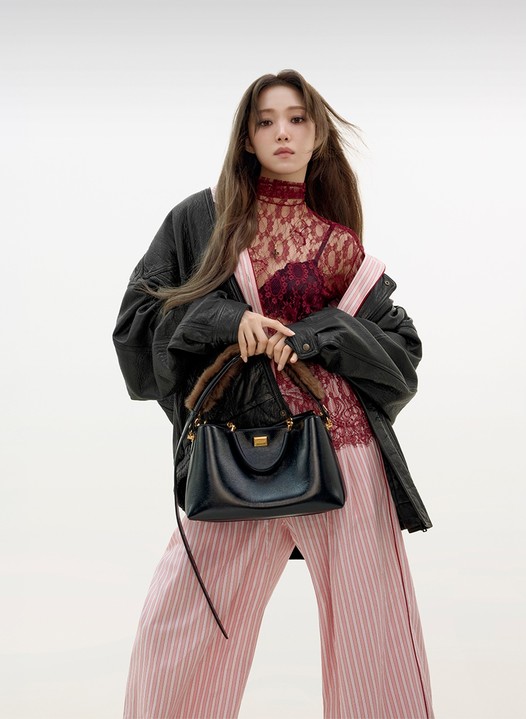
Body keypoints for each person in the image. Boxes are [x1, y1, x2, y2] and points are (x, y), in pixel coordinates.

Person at [113, 68, 435, 719]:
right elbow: (136, 325)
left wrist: (316, 337)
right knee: (179, 624)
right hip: (237, 450)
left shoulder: (340, 244)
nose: (281, 131)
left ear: (317, 135)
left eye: (295, 118)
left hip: (345, 455)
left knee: (374, 640)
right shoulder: (202, 221)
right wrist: (227, 320)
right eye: (265, 121)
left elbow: (402, 353)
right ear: (247, 137)